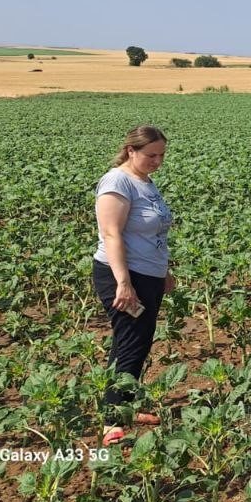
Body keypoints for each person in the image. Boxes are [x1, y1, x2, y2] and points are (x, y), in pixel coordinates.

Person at [92, 125, 175, 446]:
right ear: (131, 151)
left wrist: (164, 270)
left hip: (148, 274)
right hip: (124, 275)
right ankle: (111, 420)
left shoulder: (144, 181)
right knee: (129, 341)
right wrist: (123, 283)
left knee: (139, 341)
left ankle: (124, 406)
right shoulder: (117, 181)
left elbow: (153, 233)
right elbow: (111, 234)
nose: (157, 161)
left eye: (161, 155)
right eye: (151, 155)